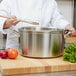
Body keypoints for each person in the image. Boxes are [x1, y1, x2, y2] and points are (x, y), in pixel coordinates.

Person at [0, 0, 75, 49]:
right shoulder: (9, 1)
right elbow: (1, 17)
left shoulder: (49, 2)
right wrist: (6, 23)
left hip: (43, 48)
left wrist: (66, 26)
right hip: (16, 49)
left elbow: (57, 18)